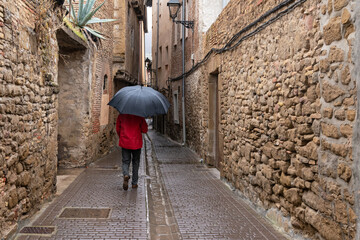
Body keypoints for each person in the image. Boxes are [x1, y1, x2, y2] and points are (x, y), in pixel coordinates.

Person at [116, 114, 148, 190]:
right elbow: (144, 130)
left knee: (125, 161)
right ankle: (134, 183)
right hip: (136, 143)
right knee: (136, 162)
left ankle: (126, 174)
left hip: (125, 142)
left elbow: (118, 129)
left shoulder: (121, 115)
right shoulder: (139, 116)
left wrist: (122, 137)